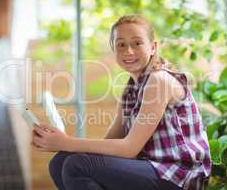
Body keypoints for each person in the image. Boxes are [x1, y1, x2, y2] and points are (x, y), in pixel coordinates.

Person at [32, 14, 211, 190]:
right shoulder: (131, 88)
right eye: (121, 45)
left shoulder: (159, 80)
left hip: (178, 175)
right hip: (150, 168)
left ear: (153, 47)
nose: (129, 51)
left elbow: (129, 148)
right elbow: (112, 141)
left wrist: (67, 142)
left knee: (78, 165)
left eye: (137, 43)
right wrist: (57, 141)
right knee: (60, 161)